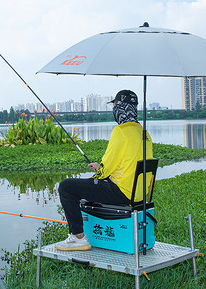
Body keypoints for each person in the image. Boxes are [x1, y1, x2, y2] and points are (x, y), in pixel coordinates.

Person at [55, 89, 153, 251]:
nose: (114, 109)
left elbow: (106, 170)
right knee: (84, 186)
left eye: (115, 105)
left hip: (121, 192)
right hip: (139, 193)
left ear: (120, 107)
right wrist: (100, 168)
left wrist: (98, 172)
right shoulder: (143, 132)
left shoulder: (121, 131)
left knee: (67, 187)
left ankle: (78, 237)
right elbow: (126, 163)